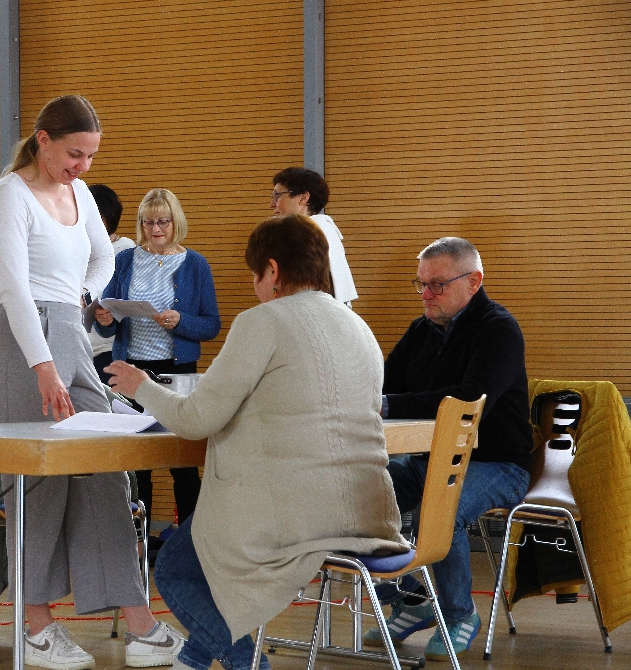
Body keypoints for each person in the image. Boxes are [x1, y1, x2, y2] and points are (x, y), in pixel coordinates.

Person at [106, 214, 408, 670]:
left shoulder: (262, 321)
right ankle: (193, 662)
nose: (254, 285)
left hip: (293, 514)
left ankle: (248, 665)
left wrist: (141, 386)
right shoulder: (358, 327)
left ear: (272, 269)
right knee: (200, 559)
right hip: (369, 511)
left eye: (254, 274)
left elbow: (196, 419)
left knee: (177, 568)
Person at [0, 94, 184, 670]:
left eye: (90, 156)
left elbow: (104, 257)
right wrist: (43, 365)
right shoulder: (7, 196)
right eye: (74, 154)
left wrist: (80, 297)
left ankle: (140, 626)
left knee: (107, 470)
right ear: (42, 139)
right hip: (20, 342)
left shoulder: (81, 192)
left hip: (68, 328)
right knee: (39, 485)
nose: (83, 166)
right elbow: (13, 289)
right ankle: (36, 627)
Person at [366, 236, 532, 661]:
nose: (426, 294)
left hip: (499, 464)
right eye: (421, 284)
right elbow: (383, 385)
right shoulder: (421, 329)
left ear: (474, 281)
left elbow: (468, 399)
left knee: (440, 508)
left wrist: (387, 404)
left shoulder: (498, 329)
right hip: (429, 460)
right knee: (359, 495)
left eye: (436, 285)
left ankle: (459, 614)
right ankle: (413, 598)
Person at [94, 188, 220, 527]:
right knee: (138, 463)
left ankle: (190, 539)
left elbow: (211, 325)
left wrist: (181, 321)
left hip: (177, 373)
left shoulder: (195, 264)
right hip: (131, 370)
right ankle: (138, 540)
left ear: (176, 222)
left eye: (163, 222)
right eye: (148, 223)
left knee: (183, 462)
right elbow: (109, 320)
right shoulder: (125, 260)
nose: (155, 229)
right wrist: (105, 319)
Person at [269, 167, 358, 306]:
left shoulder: (306, 235)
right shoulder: (324, 229)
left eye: (277, 195)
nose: (272, 204)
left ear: (303, 198)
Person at [86, 183, 135, 384]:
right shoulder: (76, 249)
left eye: (98, 216)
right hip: (79, 346)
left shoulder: (125, 250)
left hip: (110, 347)